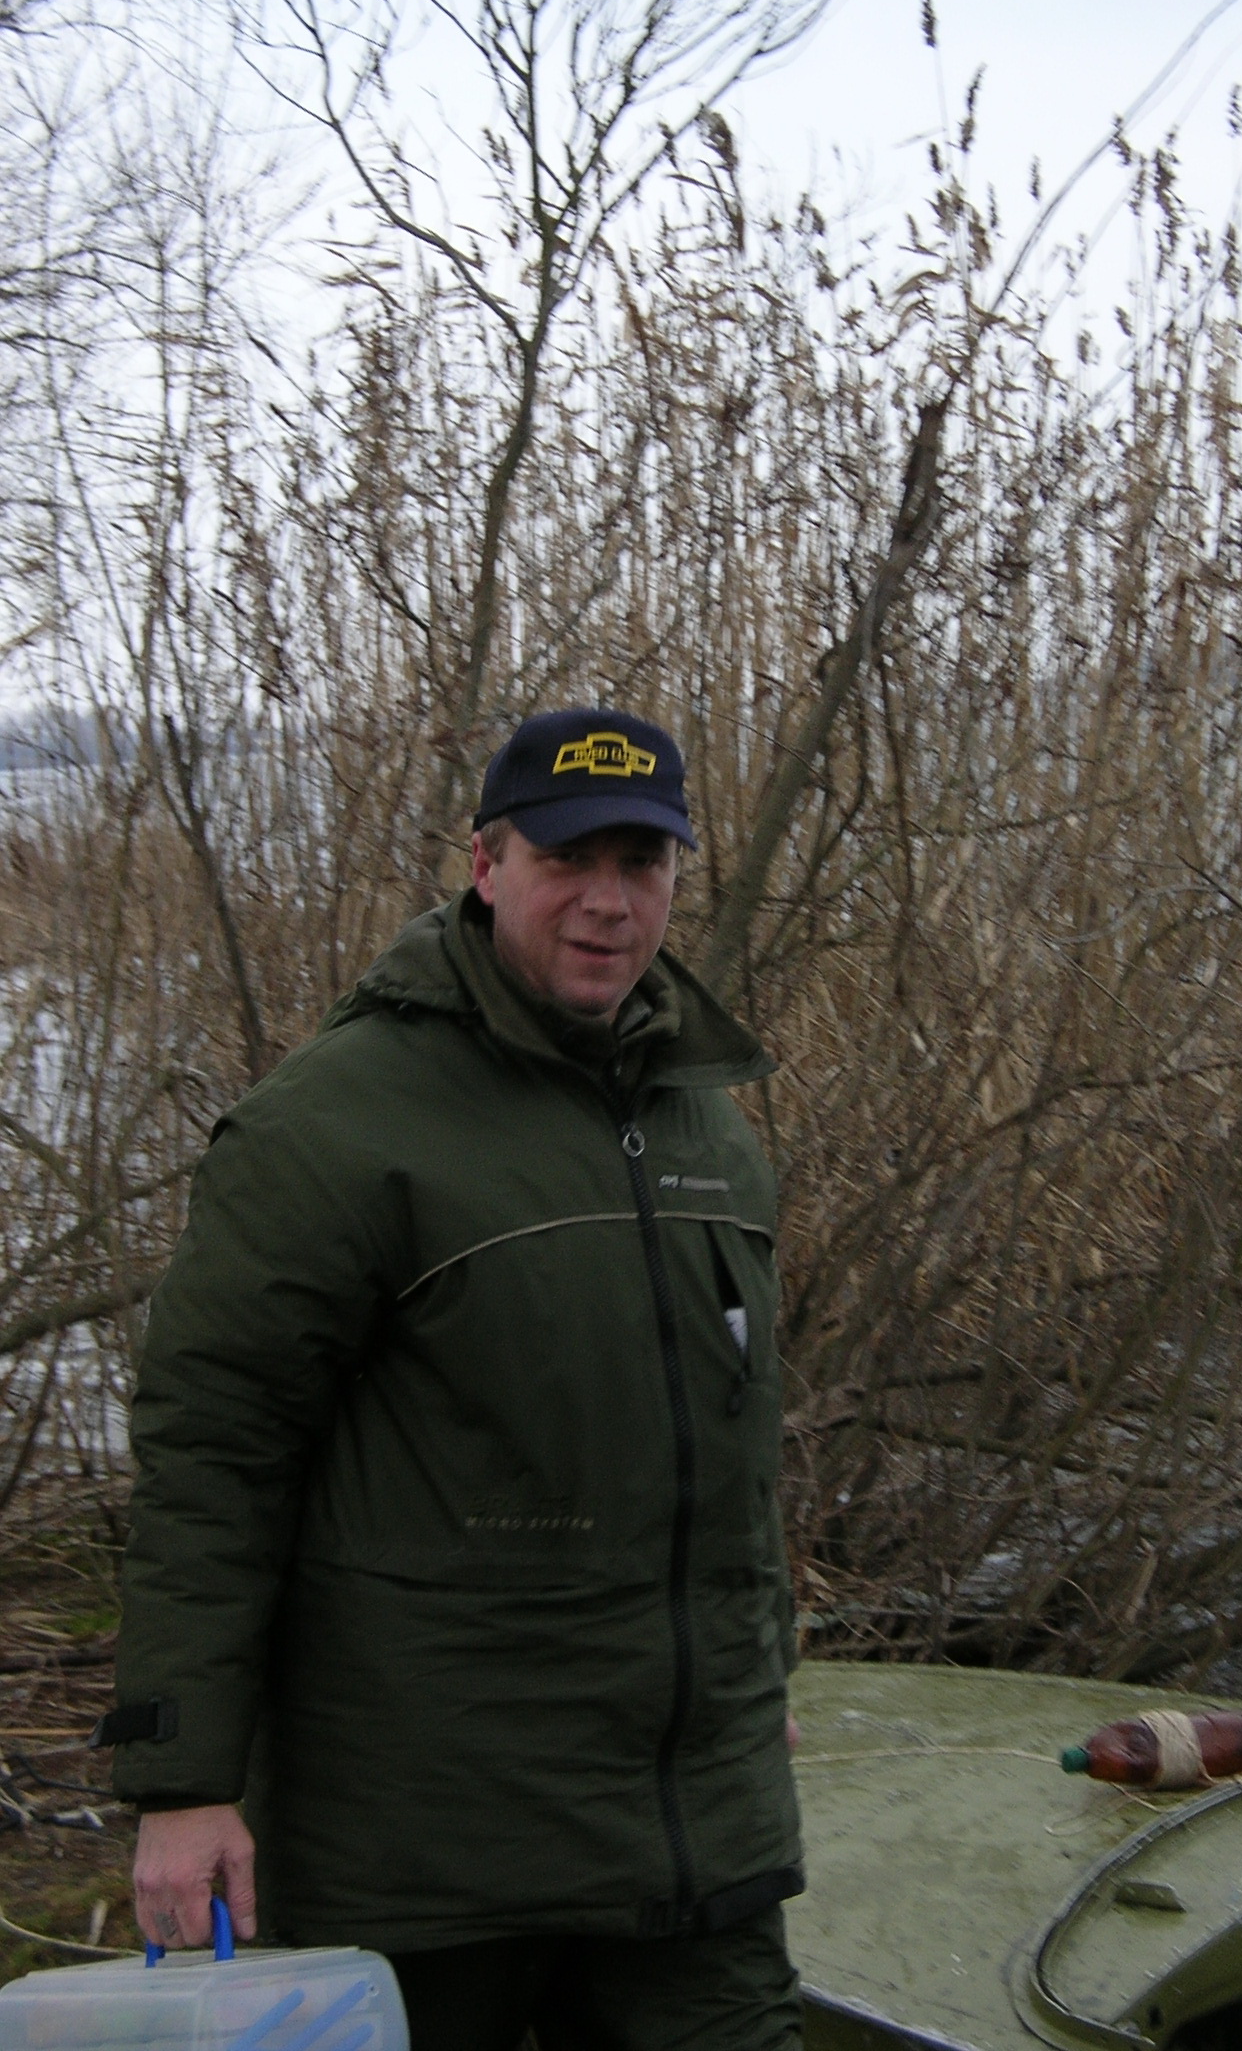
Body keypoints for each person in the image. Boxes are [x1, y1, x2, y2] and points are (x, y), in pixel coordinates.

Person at [96, 708, 803, 2051]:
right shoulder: (336, 1123)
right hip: (428, 1854)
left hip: (692, 1837)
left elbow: (728, 1448)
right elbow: (214, 1459)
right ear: (486, 866)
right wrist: (181, 1783)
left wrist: (753, 1680)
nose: (608, 903)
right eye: (566, 859)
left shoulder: (704, 1121)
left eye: (643, 864)